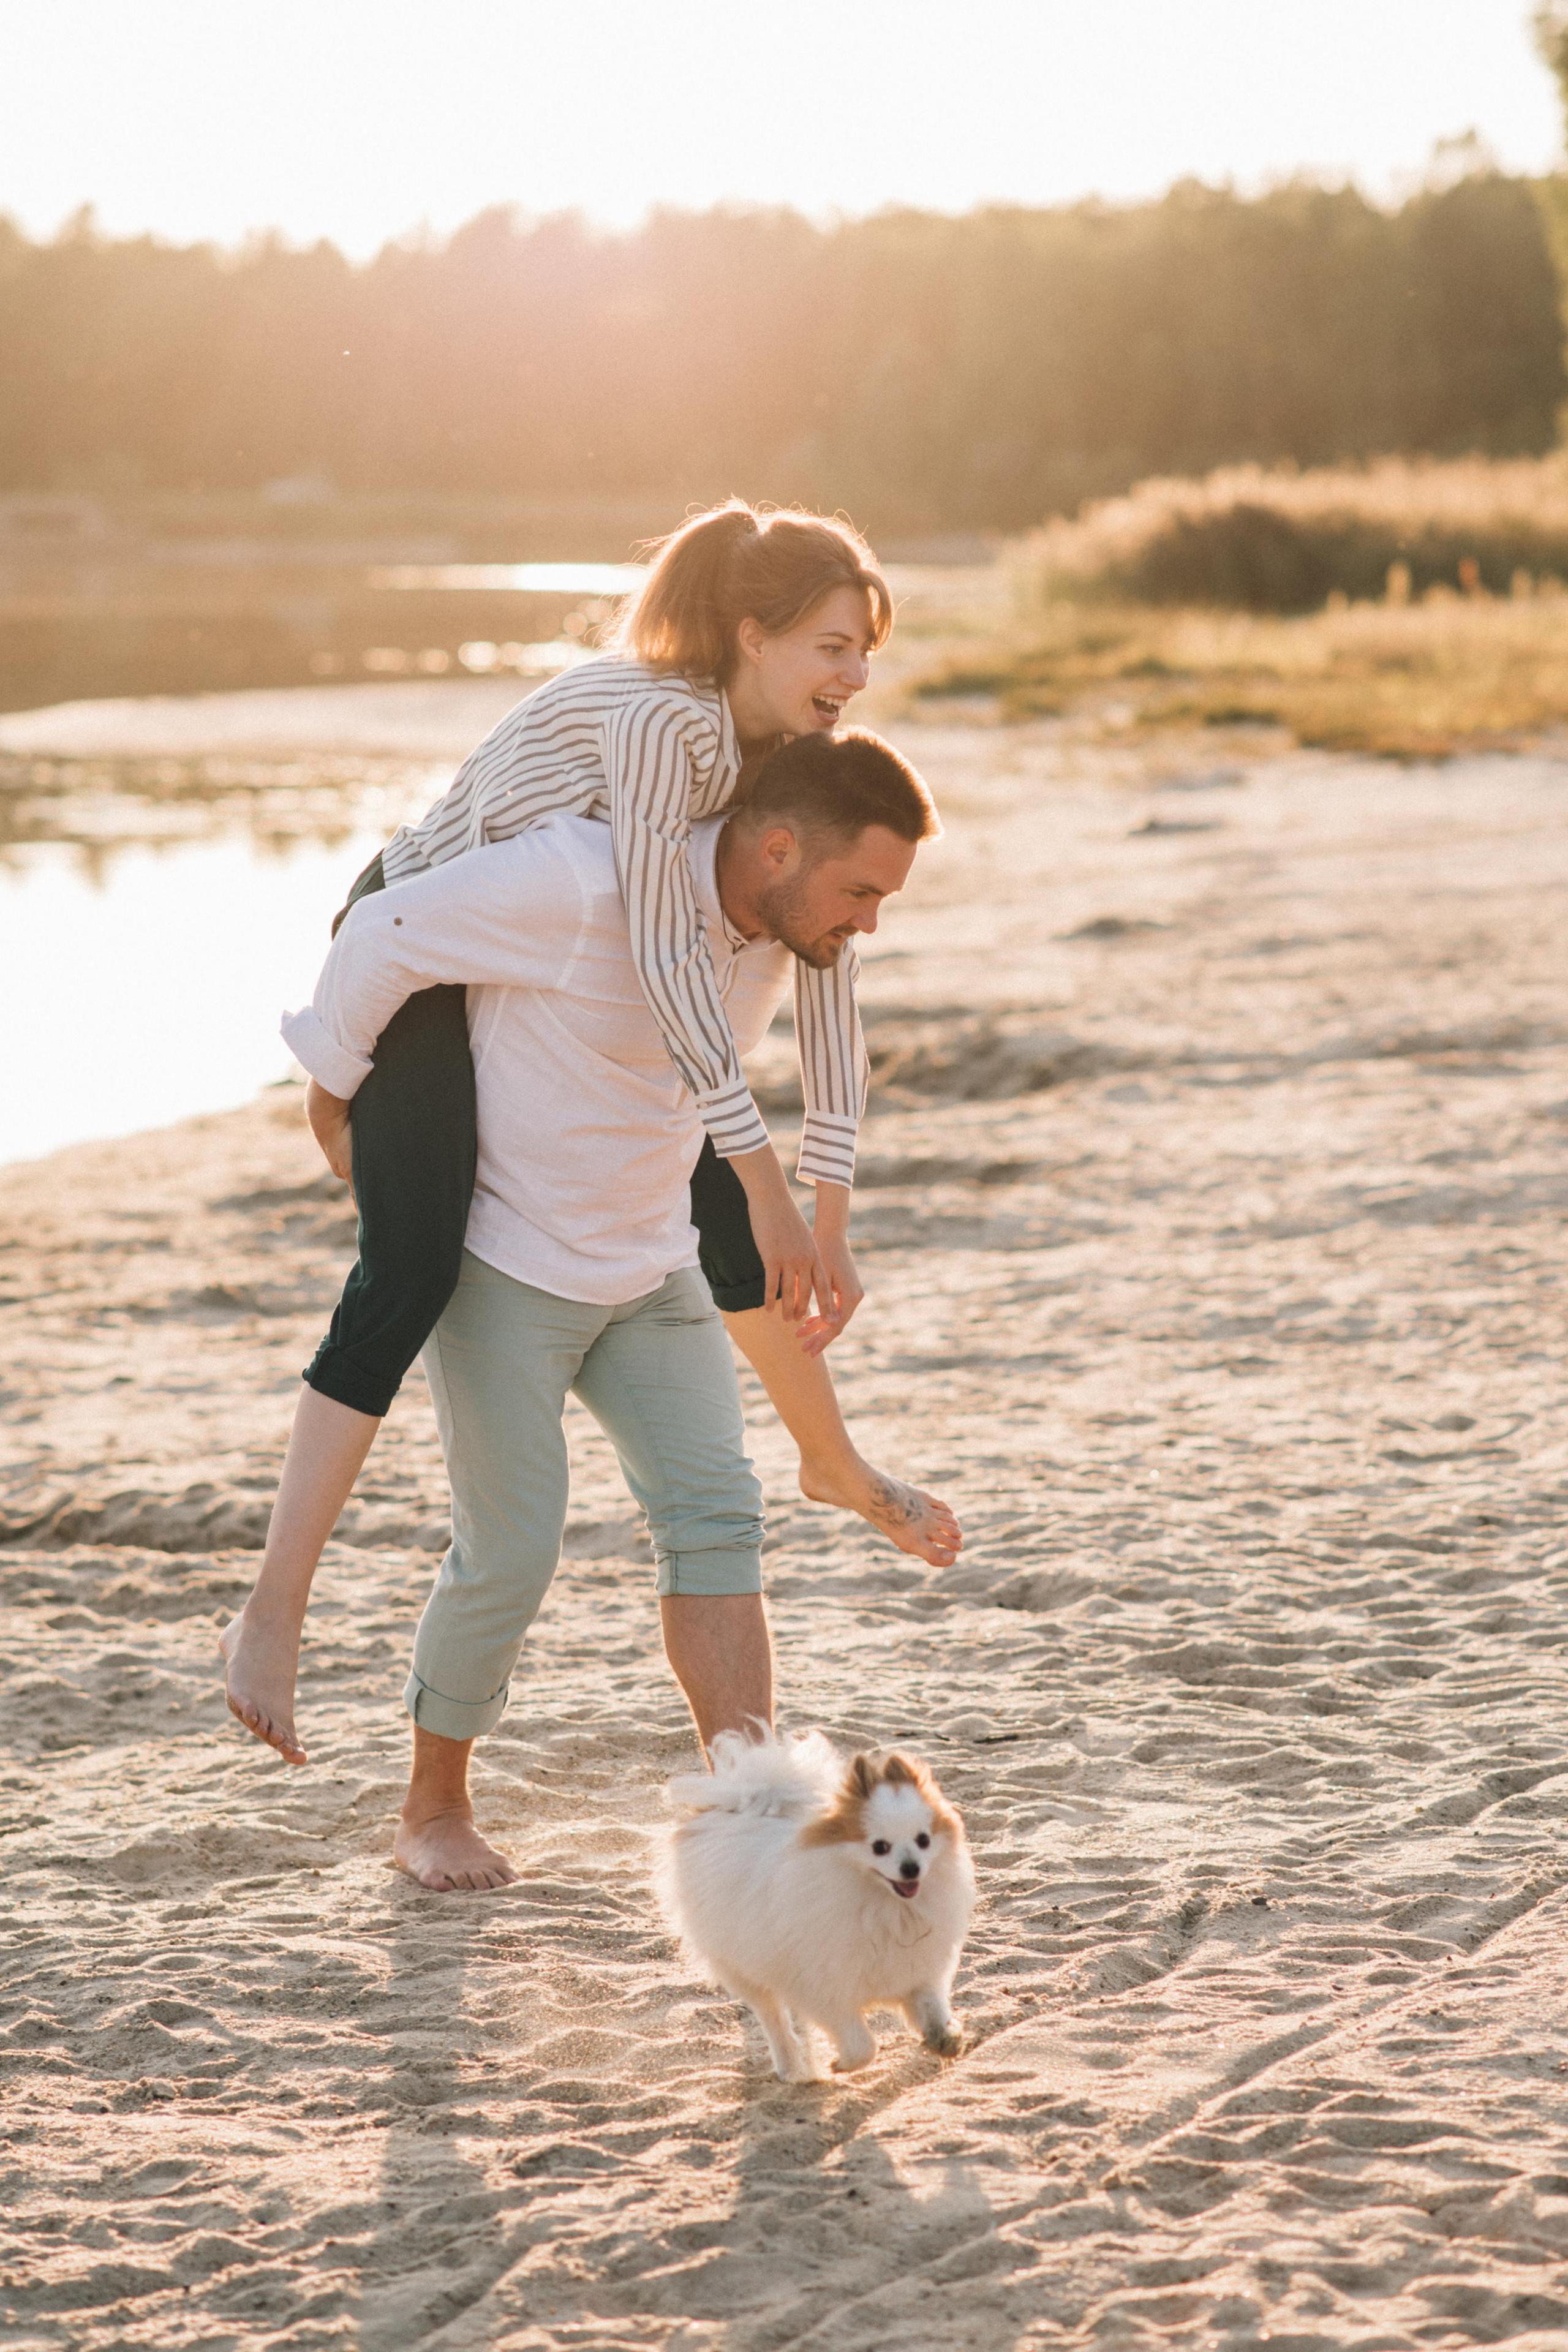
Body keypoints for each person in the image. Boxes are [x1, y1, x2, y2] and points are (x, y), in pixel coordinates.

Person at [221, 501, 960, 1766]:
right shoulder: (668, 727)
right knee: (410, 1267)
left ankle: (827, 1461)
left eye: (864, 655)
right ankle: (273, 1609)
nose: (852, 676)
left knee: (730, 1203)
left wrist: (820, 1206)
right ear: (750, 634)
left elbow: (821, 971)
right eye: (831, 646)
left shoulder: (766, 777)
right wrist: (330, 1084)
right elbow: (659, 949)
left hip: (498, 943)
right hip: (413, 928)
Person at [278, 729, 940, 1890]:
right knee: (512, 1548)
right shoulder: (582, 882)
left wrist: (825, 1211)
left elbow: (840, 1059)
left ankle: (741, 1809)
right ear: (777, 848)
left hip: (651, 1267)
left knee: (718, 1516)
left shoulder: (791, 933)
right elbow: (383, 927)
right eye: (862, 892)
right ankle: (431, 1810)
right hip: (503, 1263)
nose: (869, 924)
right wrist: (334, 1103)